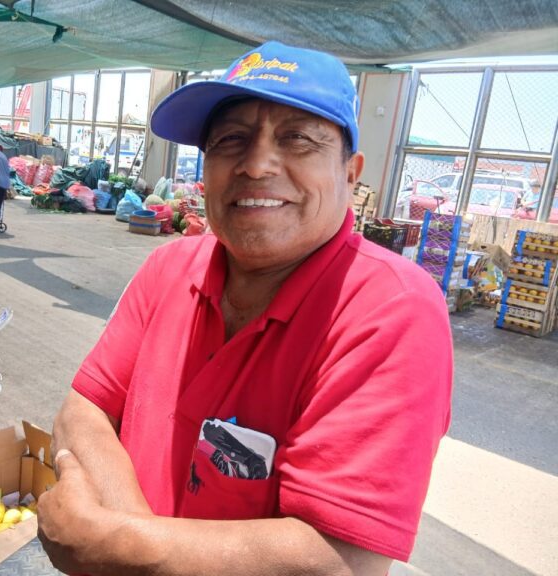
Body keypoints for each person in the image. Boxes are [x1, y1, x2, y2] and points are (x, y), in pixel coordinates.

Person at [37, 41, 453, 576]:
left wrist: (119, 546)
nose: (256, 165)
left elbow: (338, 560)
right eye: (230, 139)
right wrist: (130, 540)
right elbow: (83, 411)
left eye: (297, 138)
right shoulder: (168, 268)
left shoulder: (390, 308)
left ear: (351, 173)